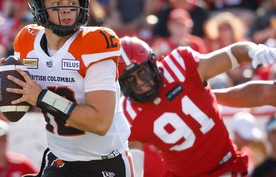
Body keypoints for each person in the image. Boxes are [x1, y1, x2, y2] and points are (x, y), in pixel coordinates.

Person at [0, 0, 133, 177]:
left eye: (72, 2)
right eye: (56, 2)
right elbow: (14, 111)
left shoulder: (95, 44)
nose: (66, 9)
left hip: (105, 163)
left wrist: (42, 97)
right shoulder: (27, 41)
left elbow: (100, 122)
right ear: (39, 6)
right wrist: (5, 87)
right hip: (60, 159)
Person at [118, 36, 276, 176]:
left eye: (142, 73)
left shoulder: (180, 66)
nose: (140, 83)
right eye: (130, 80)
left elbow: (233, 53)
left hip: (223, 167)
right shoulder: (128, 112)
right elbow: (134, 166)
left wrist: (253, 50)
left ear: (153, 63)